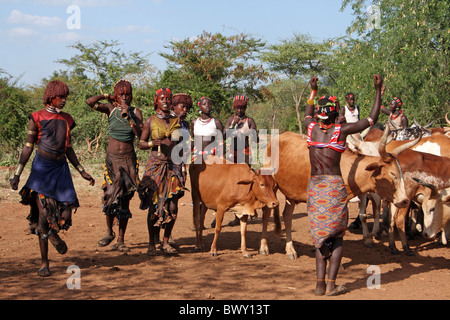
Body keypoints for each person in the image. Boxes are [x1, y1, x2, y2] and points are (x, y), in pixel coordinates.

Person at [304, 74, 383, 296]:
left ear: (320, 113)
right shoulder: (340, 132)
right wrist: (377, 90)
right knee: (337, 237)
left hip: (315, 187)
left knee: (320, 238)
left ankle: (319, 284)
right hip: (333, 188)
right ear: (334, 112)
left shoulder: (311, 129)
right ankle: (331, 285)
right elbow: (371, 118)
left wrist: (313, 91)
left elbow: (308, 113)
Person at [10, 80, 95, 277]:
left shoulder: (67, 119)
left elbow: (68, 148)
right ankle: (44, 263)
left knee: (65, 215)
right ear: (51, 97)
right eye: (61, 97)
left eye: (66, 97)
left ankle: (51, 233)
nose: (64, 100)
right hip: (42, 170)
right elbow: (28, 146)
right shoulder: (37, 117)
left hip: (61, 169)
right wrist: (17, 174)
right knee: (43, 215)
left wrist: (81, 170)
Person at [86, 79, 143, 252]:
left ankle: (121, 239)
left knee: (125, 199)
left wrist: (130, 117)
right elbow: (90, 102)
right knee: (109, 196)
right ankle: (108, 231)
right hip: (112, 161)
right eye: (121, 94)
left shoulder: (136, 112)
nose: (125, 97)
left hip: (128, 160)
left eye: (128, 94)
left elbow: (141, 136)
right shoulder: (110, 109)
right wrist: (107, 96)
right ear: (116, 95)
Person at [138, 88, 185, 256]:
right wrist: (152, 143)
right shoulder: (150, 121)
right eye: (162, 98)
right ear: (156, 101)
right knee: (154, 207)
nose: (165, 101)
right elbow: (141, 143)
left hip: (172, 167)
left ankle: (166, 241)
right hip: (156, 167)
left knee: (172, 207)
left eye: (168, 98)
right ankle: (152, 243)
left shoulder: (176, 121)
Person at [223, 94, 258, 226]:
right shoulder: (231, 119)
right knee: (232, 184)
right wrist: (233, 124)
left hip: (245, 153)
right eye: (237, 108)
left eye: (242, 108)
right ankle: (231, 213)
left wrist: (251, 133)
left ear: (245, 108)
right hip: (232, 154)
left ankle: (249, 210)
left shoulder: (249, 121)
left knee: (246, 183)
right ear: (234, 108)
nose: (239, 111)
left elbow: (256, 138)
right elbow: (224, 134)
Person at [190, 97, 224, 230]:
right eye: (205, 104)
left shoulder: (216, 122)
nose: (208, 106)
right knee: (196, 190)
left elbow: (221, 143)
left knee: (210, 190)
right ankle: (196, 222)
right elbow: (192, 140)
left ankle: (209, 218)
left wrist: (221, 162)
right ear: (199, 106)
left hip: (212, 160)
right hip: (197, 160)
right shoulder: (194, 122)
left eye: (210, 104)